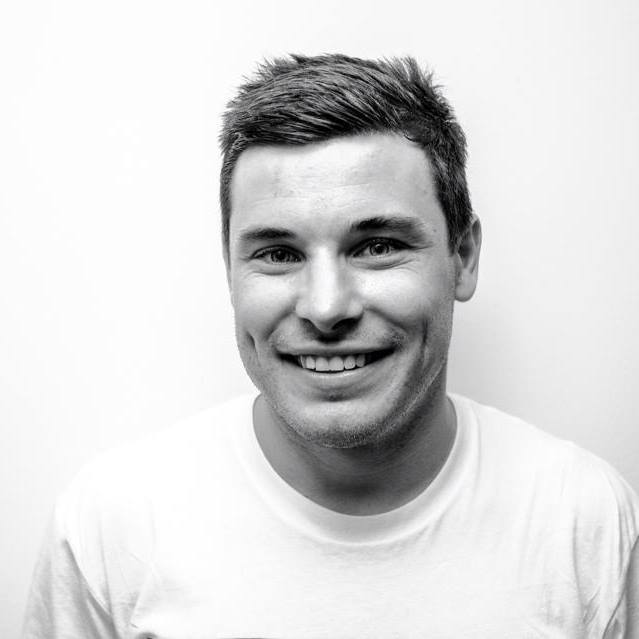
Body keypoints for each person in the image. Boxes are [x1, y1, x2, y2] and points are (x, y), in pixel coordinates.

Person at [23, 54, 638, 638]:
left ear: (464, 257)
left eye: (377, 247)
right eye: (278, 254)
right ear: (229, 272)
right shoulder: (112, 528)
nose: (325, 307)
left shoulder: (584, 521)